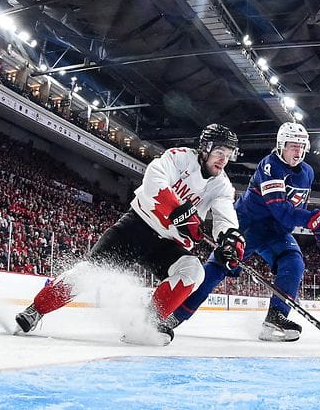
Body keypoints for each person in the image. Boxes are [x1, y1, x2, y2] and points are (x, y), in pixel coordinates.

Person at [13, 124, 245, 346]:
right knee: (91, 271)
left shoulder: (222, 185)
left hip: (168, 244)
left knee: (193, 271)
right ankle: (36, 310)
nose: (223, 160)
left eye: (229, 154)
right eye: (219, 152)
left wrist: (230, 238)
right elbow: (154, 179)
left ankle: (146, 324)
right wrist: (180, 212)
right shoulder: (179, 157)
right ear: (205, 148)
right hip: (137, 227)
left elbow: (224, 212)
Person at [171, 122, 320, 342]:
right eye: (291, 146)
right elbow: (280, 209)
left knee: (294, 263)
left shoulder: (307, 172)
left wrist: (319, 227)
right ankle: (171, 316)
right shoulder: (270, 166)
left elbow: (296, 209)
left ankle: (275, 319)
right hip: (247, 227)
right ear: (280, 146)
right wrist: (314, 220)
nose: (297, 151)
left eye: (300, 146)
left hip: (276, 232)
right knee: (215, 271)